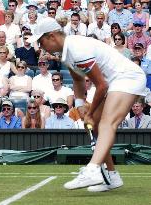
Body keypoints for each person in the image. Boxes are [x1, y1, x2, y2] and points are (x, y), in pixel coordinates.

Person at [28, 17, 146, 191]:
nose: (40, 46)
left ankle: (93, 169)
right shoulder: (66, 53)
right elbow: (77, 81)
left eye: (41, 41)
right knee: (94, 125)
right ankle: (112, 177)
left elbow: (102, 86)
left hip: (128, 78)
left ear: (51, 36)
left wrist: (90, 113)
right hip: (114, 82)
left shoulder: (77, 49)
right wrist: (80, 105)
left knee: (107, 123)